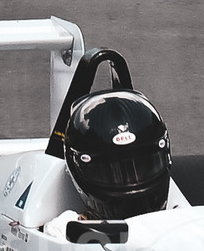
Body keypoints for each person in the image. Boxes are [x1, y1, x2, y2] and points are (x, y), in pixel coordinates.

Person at [62, 89, 172, 220]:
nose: (131, 181)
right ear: (77, 169)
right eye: (111, 173)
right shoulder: (60, 230)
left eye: (142, 166)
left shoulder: (183, 218)